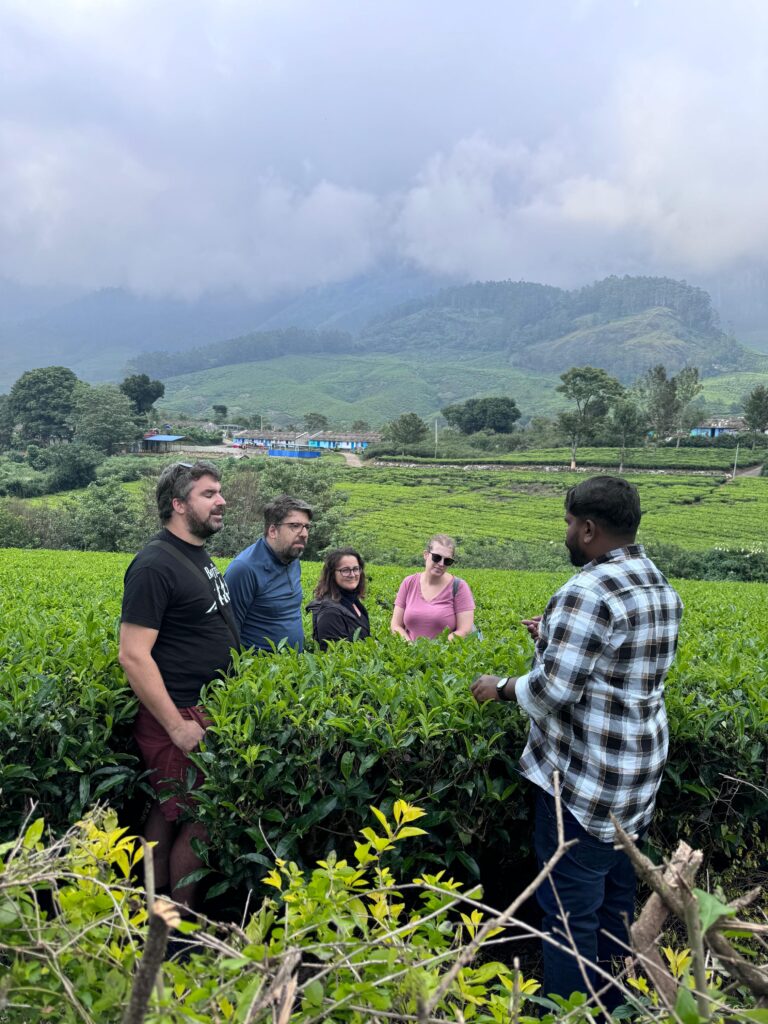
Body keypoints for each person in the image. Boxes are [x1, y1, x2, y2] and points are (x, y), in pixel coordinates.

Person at [470, 476, 682, 1007]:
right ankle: (614, 1009)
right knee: (613, 909)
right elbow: (618, 666)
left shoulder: (584, 591)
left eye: (568, 524)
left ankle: (574, 1014)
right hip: (635, 778)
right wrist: (552, 638)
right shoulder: (656, 583)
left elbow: (549, 694)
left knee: (568, 916)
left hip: (583, 785)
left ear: (587, 528)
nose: (566, 533)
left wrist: (498, 688)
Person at [118, 460, 237, 914]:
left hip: (201, 706)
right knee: (199, 817)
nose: (221, 500)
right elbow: (132, 653)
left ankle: (159, 914)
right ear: (178, 504)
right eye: (209, 494)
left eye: (219, 492)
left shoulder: (194, 554)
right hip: (182, 712)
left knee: (171, 811)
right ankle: (178, 923)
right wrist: (176, 725)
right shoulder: (155, 563)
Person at [224, 494, 312, 651]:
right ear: (273, 531)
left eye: (307, 527)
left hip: (294, 668)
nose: (304, 533)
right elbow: (228, 633)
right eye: (294, 526)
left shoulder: (293, 558)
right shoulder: (244, 569)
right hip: (260, 671)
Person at [391, 533, 475, 641]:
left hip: (444, 656)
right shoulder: (409, 583)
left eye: (447, 561)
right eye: (436, 557)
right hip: (409, 654)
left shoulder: (459, 587)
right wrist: (409, 646)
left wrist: (437, 649)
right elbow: (396, 625)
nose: (441, 563)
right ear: (426, 555)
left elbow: (464, 630)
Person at [306, 547, 370, 650]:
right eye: (345, 570)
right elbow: (335, 658)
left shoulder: (354, 603)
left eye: (356, 569)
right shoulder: (329, 612)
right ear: (332, 574)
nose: (352, 574)